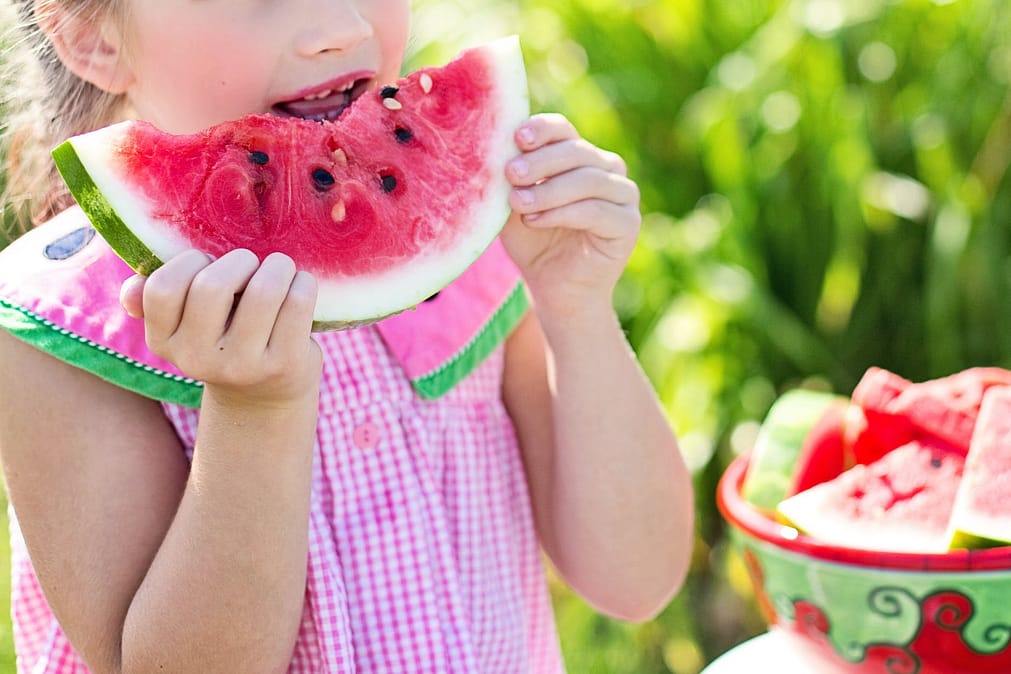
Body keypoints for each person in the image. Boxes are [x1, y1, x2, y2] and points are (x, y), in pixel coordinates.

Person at [0, 1, 694, 672]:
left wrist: (577, 310)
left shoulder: (477, 238)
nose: (341, 28)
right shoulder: (62, 330)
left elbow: (636, 579)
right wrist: (254, 414)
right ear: (93, 38)